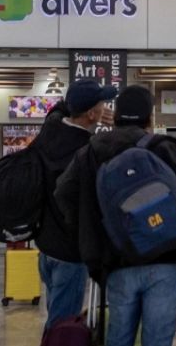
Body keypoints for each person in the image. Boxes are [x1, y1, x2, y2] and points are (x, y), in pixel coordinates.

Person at [56, 85, 176, 346]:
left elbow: (64, 193)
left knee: (117, 345)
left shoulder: (92, 151)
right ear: (150, 116)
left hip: (118, 262)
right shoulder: (162, 147)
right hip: (166, 262)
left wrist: (92, 232)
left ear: (116, 114)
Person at [34, 79, 116, 330]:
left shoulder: (50, 132)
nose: (106, 108)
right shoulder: (86, 151)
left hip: (46, 246)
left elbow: (56, 112)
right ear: (91, 113)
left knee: (56, 313)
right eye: (102, 104)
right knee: (63, 326)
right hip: (70, 252)